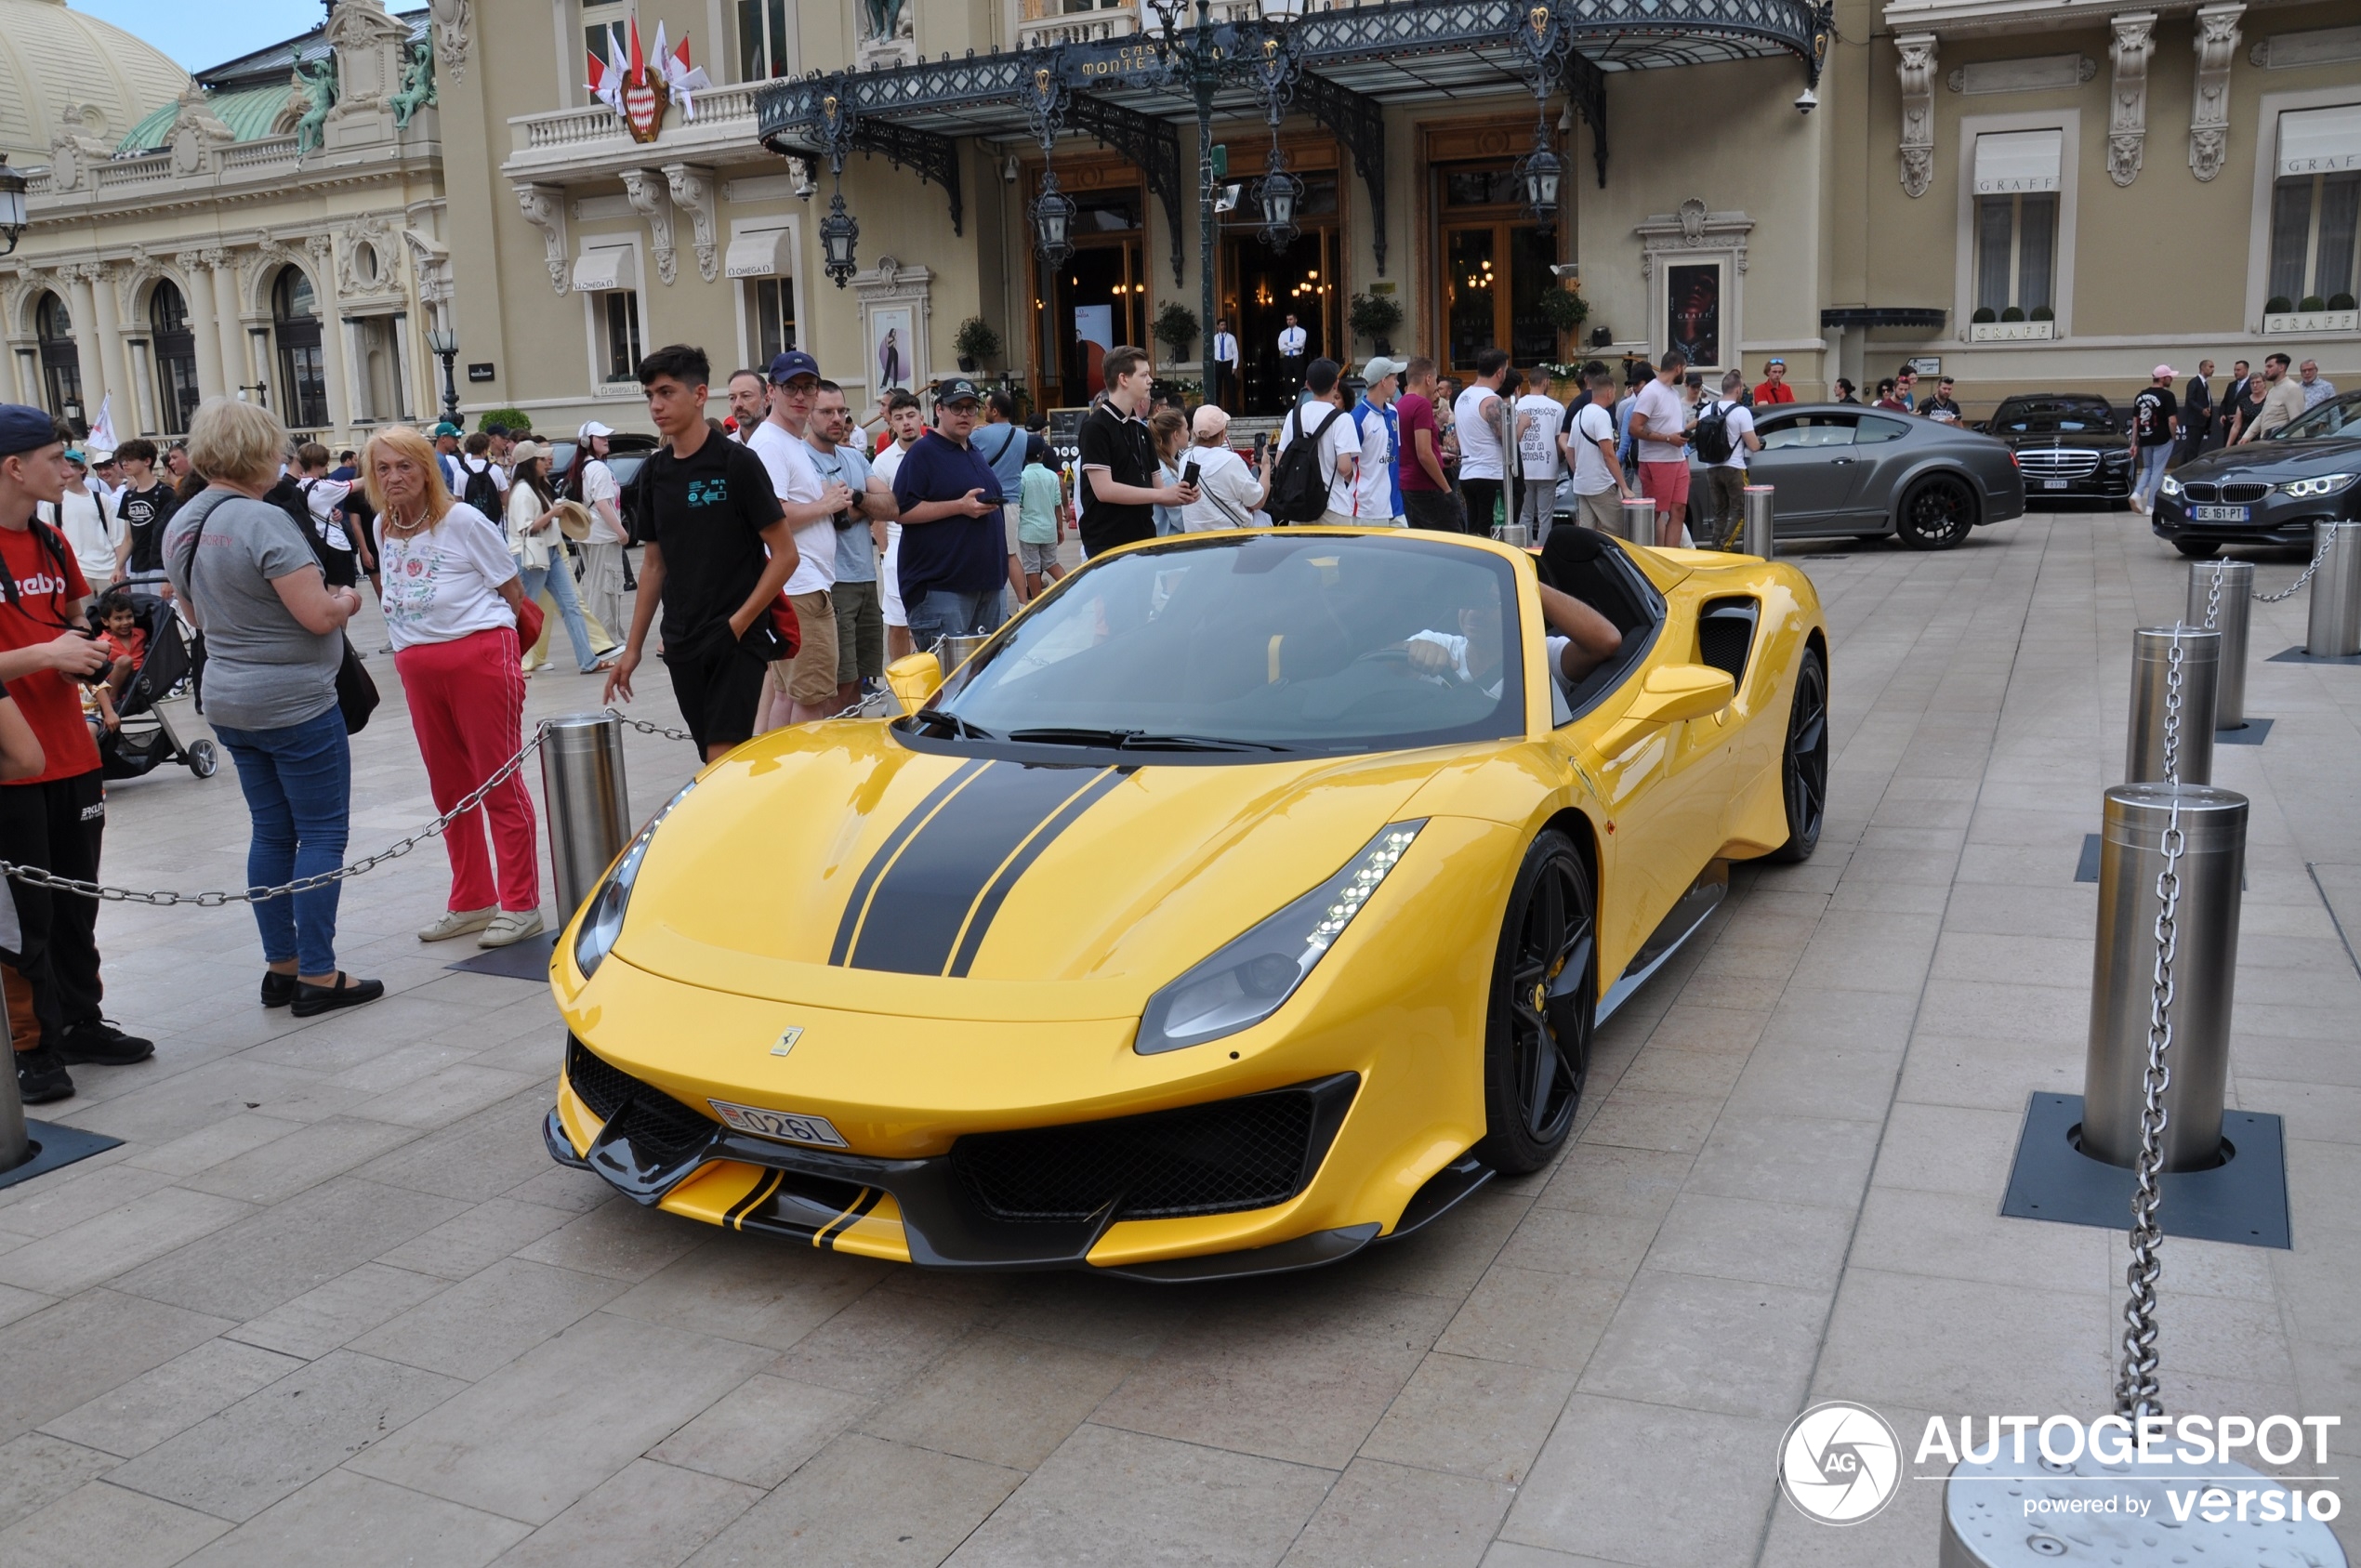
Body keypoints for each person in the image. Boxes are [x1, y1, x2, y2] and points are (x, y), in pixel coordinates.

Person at [164, 400, 381, 1018]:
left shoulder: (185, 520)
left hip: (228, 697)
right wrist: (345, 602)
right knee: (320, 832)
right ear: (262, 454)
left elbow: (196, 616)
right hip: (293, 699)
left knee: (271, 829)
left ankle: (279, 966)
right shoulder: (263, 521)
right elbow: (316, 614)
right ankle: (318, 972)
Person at [0, 405, 149, 1105]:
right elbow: (43, 643)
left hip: (71, 751)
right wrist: (48, 651)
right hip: (12, 764)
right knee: (23, 913)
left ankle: (81, 1020)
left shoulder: (53, 540)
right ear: (14, 466)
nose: (73, 469)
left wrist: (85, 646)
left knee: (76, 903)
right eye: (58, 457)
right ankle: (30, 1046)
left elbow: (74, 618)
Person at [366, 426, 544, 946]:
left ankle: (520, 902)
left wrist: (487, 649)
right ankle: (471, 899)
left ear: (426, 469)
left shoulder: (463, 520)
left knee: (498, 781)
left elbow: (511, 591)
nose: (395, 477)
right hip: (418, 669)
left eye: (405, 465)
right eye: (383, 468)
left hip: (478, 659)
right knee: (450, 788)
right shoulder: (382, 526)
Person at [607, 347, 798, 760]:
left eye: (666, 392)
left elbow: (785, 555)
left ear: (698, 395)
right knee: (717, 761)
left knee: (722, 759)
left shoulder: (738, 463)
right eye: (649, 395)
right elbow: (654, 564)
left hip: (737, 640)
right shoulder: (655, 472)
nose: (656, 405)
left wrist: (739, 624)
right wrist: (634, 648)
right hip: (681, 641)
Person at [745, 350, 852, 729]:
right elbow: (772, 515)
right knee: (812, 698)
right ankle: (803, 777)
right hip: (800, 588)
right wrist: (826, 504)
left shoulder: (786, 440)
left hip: (799, 585)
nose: (801, 396)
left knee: (787, 692)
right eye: (791, 387)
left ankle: (780, 773)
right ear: (771, 391)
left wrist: (822, 498)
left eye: (808, 387)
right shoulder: (773, 443)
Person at [889, 376, 1010, 649]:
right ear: (939, 410)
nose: (965, 414)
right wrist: (959, 506)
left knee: (982, 684)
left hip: (987, 586)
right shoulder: (923, 453)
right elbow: (901, 510)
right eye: (957, 407)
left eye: (971, 408)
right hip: (943, 590)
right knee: (949, 685)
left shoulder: (973, 451)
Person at [806, 380, 895, 712]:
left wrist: (855, 498)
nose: (837, 419)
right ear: (809, 414)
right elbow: (831, 516)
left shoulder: (854, 457)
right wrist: (865, 506)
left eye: (842, 412)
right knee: (837, 684)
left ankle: (853, 752)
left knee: (859, 679)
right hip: (832, 582)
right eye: (826, 411)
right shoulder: (802, 459)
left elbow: (890, 505)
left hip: (865, 578)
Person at [503, 441, 609, 675]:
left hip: (547, 552)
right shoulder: (523, 491)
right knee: (522, 611)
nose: (546, 463)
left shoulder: (535, 487)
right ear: (531, 463)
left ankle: (588, 660)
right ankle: (510, 664)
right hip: (532, 555)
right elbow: (525, 529)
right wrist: (553, 512)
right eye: (541, 460)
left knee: (570, 606)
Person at [1076, 347, 1190, 557]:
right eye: (1144, 374)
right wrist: (1163, 494)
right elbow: (1104, 490)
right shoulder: (1096, 427)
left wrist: (1181, 493)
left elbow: (1158, 486)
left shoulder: (1141, 430)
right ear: (1123, 379)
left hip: (1144, 540)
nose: (1150, 381)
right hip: (1109, 544)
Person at [870, 389, 924, 661]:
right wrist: (886, 553)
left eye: (911, 416)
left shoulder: (937, 453)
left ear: (921, 417)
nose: (906, 422)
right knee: (898, 622)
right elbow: (877, 514)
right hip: (897, 553)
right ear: (891, 422)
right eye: (899, 417)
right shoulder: (882, 462)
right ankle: (899, 683)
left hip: (935, 548)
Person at [1275, 358, 1360, 526]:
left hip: (1299, 505)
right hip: (1333, 505)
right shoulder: (1343, 419)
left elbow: (1279, 461)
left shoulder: (1295, 414)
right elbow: (1344, 467)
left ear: (1308, 385)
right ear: (1336, 384)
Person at [1628, 351, 1693, 547]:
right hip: (1657, 460)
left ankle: (1672, 557)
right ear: (1678, 368)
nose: (1685, 374)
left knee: (1679, 509)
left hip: (1677, 457)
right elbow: (1634, 428)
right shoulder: (1651, 392)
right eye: (1685, 369)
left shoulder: (1673, 393)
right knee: (1655, 512)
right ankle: (1646, 552)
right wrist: (1667, 438)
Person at [574, 422, 629, 644]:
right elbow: (604, 504)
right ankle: (605, 639)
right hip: (603, 535)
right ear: (587, 442)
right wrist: (621, 532)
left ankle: (607, 637)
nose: (606, 440)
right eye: (601, 437)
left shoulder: (585, 467)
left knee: (600, 585)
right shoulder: (598, 469)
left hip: (590, 534)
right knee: (605, 588)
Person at [971, 392, 1031, 599]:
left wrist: (973, 430)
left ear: (995, 411)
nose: (984, 411)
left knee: (987, 555)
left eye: (986, 407)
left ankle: (993, 603)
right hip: (1012, 501)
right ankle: (1023, 603)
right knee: (1010, 554)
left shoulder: (979, 435)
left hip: (986, 501)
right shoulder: (1023, 436)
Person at [1695, 369, 1761, 548]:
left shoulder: (1706, 410)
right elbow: (1753, 445)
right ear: (1738, 389)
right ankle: (1724, 545)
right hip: (1734, 468)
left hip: (1711, 468)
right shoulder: (1741, 412)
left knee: (1720, 512)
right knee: (1742, 511)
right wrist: (1760, 443)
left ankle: (1716, 547)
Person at [1561, 362, 1630, 535]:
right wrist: (1624, 487)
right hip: (1601, 485)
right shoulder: (1601, 416)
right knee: (1616, 532)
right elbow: (1608, 454)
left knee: (1586, 534)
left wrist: (1579, 472)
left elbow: (1570, 452)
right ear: (1609, 393)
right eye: (1614, 392)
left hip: (1582, 485)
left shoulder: (1579, 415)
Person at [1178, 405, 1269, 533]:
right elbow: (1258, 501)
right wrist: (1266, 468)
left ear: (1194, 433)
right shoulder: (1231, 460)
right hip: (1231, 542)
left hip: (1195, 542)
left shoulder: (1185, 461)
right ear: (1222, 434)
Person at [44, 447, 122, 588]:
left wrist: (119, 570)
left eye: (69, 466)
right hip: (76, 573)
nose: (64, 471)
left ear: (82, 469)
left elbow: (117, 538)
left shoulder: (102, 499)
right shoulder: (53, 502)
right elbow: (46, 541)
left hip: (108, 572)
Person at [1395, 357, 1457, 532]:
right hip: (1425, 486)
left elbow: (1409, 446)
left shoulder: (1400, 405)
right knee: (1452, 540)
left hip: (1406, 486)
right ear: (1428, 379)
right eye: (1436, 381)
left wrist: (1439, 455)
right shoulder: (1421, 404)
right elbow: (1423, 452)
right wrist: (1447, 489)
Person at [1454, 350, 1511, 534]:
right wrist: (1522, 424)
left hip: (1468, 473)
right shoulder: (1492, 400)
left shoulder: (1463, 396)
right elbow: (1506, 438)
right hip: (1490, 474)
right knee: (1490, 533)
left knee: (1474, 531)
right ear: (1499, 372)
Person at [112, 438, 177, 595]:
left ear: (147, 461)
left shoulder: (165, 493)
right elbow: (129, 538)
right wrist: (118, 567)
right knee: (142, 614)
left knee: (161, 614)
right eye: (123, 460)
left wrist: (169, 576)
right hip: (136, 566)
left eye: (130, 459)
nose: (124, 464)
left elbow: (172, 535)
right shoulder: (128, 496)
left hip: (159, 566)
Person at [1512, 368, 1563, 539]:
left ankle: (1524, 550)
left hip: (1523, 466)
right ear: (1546, 382)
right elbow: (1559, 440)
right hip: (1547, 467)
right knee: (1545, 516)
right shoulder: (1556, 408)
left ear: (1529, 382)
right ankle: (1542, 551)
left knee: (1524, 514)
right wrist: (1557, 458)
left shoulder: (1518, 406)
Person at [1353, 357, 1405, 527]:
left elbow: (1395, 456)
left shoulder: (1393, 412)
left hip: (1395, 507)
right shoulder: (1357, 418)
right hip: (1367, 511)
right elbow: (1346, 465)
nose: (1397, 383)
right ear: (1383, 381)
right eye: (1394, 378)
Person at [1015, 433, 1069, 591]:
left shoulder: (1022, 478)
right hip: (1049, 530)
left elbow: (1018, 504)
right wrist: (1059, 528)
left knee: (1032, 568)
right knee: (1051, 562)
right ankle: (1069, 589)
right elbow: (1057, 504)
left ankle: (1037, 605)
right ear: (1043, 454)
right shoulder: (1052, 476)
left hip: (1028, 532)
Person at [2128, 367, 2179, 514]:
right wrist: (2173, 436)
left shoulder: (2140, 396)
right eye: (2169, 376)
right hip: (2162, 437)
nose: (2172, 379)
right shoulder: (2167, 396)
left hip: (2145, 436)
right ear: (2162, 378)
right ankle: (2152, 505)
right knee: (2158, 470)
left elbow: (2135, 421)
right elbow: (2172, 420)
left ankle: (2137, 494)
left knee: (2148, 468)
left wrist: (2134, 443)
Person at [2236, 353, 2304, 443]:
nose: (2266, 370)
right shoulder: (2272, 390)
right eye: (2266, 367)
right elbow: (2262, 416)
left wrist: (2296, 447)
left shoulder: (2291, 388)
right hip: (2268, 441)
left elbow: (2297, 423)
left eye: (2270, 366)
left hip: (2281, 444)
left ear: (2281, 368)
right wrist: (2247, 437)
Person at [1149, 406, 1191, 536]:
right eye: (1186, 428)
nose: (1189, 433)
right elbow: (1180, 521)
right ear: (1176, 435)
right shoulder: (1165, 473)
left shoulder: (1170, 464)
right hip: (1169, 543)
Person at [2178, 360, 2214, 463]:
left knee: (2192, 447)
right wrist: (2201, 410)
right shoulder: (2194, 382)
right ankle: (2190, 468)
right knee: (2192, 448)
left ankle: (2183, 467)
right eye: (2210, 367)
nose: (2213, 370)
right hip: (2194, 421)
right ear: (2203, 368)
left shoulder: (2204, 384)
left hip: (2202, 422)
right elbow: (2190, 399)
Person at [2216, 361, 2254, 450]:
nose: (2236, 372)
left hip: (2244, 426)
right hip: (2229, 425)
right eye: (2234, 370)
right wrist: (2222, 414)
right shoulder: (2231, 385)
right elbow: (2225, 402)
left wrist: (2240, 416)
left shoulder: (2252, 385)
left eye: (2238, 370)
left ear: (2246, 370)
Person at [726, 369, 768, 439]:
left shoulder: (782, 442)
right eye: (732, 398)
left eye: (746, 396)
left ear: (766, 400)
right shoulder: (724, 447)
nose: (738, 404)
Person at [1211, 318, 1240, 410]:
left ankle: (1233, 409)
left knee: (1231, 387)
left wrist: (1234, 366)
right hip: (1218, 363)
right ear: (1218, 326)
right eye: (1222, 325)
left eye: (1225, 325)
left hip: (1228, 364)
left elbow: (1235, 352)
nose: (1223, 327)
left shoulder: (1231, 338)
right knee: (1217, 387)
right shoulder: (1215, 338)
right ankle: (1217, 408)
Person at [1277, 312, 1308, 394]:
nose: (1289, 321)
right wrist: (1294, 345)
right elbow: (1281, 348)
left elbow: (1300, 344)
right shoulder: (1283, 333)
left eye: (1291, 319)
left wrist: (1288, 344)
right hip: (1287, 360)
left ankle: (1299, 404)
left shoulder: (1302, 332)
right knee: (1287, 384)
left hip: (1298, 359)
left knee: (1300, 382)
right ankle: (1289, 405)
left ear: (1295, 320)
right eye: (1287, 319)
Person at [432, 420, 466, 493]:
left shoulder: (437, 457)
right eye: (454, 438)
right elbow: (441, 489)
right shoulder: (441, 460)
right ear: (443, 439)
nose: (457, 442)